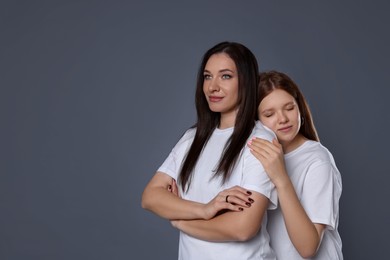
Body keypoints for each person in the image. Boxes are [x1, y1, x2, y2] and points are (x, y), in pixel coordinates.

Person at [141, 42, 278, 260]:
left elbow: (243, 228)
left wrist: (180, 220)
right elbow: (150, 196)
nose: (212, 87)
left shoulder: (260, 140)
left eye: (225, 76)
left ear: (246, 81)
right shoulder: (193, 138)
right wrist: (205, 210)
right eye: (207, 76)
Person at [247, 71, 343, 259]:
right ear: (256, 120)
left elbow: (308, 248)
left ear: (300, 108)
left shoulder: (318, 160)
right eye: (269, 114)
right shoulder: (255, 157)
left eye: (289, 108)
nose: (283, 118)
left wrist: (281, 178)